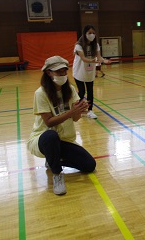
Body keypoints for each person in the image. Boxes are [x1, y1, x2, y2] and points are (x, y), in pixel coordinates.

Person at [26, 55, 96, 195]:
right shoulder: (41, 93)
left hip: (65, 140)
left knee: (89, 165)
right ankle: (57, 174)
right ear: (48, 72)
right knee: (51, 136)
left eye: (65, 71)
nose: (63, 74)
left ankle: (52, 160)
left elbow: (75, 118)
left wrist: (80, 110)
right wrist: (72, 111)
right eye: (59, 72)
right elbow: (49, 122)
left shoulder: (69, 89)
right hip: (42, 139)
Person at [73, 25, 110, 119]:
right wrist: (93, 61)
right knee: (81, 92)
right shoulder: (79, 45)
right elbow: (83, 58)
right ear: (85, 34)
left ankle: (90, 110)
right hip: (79, 71)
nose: (92, 35)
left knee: (90, 91)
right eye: (89, 33)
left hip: (89, 71)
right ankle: (77, 109)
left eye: (93, 33)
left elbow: (99, 57)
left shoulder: (96, 45)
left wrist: (104, 61)